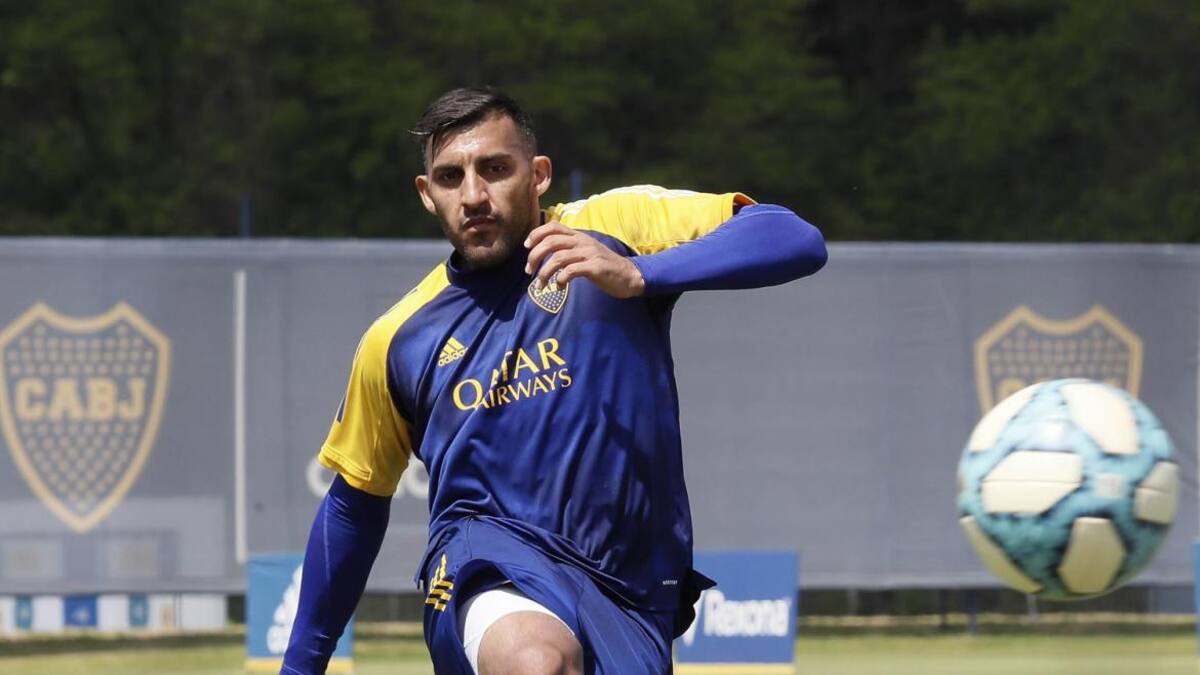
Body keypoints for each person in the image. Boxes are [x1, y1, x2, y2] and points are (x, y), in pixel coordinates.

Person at [281, 86, 827, 675]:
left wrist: (638, 272)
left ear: (538, 175)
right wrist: (299, 668)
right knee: (538, 662)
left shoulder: (612, 230)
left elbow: (793, 238)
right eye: (449, 176)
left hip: (630, 593)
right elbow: (353, 509)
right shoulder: (396, 340)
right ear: (427, 195)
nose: (473, 195)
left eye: (495, 169)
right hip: (483, 561)